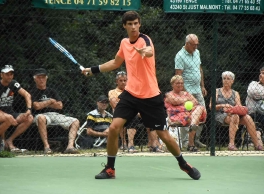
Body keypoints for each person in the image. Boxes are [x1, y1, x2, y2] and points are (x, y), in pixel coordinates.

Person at [82, 11, 200, 180]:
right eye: (130, 24)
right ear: (124, 26)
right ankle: (110, 169)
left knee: (163, 135)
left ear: (140, 24)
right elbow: (116, 62)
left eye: (136, 23)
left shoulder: (145, 39)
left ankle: (183, 163)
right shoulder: (124, 43)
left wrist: (145, 52)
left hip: (151, 96)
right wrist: (93, 70)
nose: (133, 27)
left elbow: (149, 50)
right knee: (114, 127)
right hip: (130, 94)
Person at [109, 71, 163, 153]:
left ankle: (153, 145)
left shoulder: (132, 91)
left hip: (138, 113)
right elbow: (115, 105)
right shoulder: (113, 92)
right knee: (133, 117)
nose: (123, 82)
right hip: (123, 115)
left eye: (125, 80)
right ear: (116, 81)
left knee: (151, 117)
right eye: (121, 80)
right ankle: (130, 145)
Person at [30, 68, 80, 154]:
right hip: (40, 115)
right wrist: (50, 101)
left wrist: (44, 104)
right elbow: (37, 106)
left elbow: (60, 106)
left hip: (54, 114)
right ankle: (47, 147)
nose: (41, 79)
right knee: (41, 118)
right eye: (39, 77)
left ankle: (70, 146)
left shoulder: (52, 91)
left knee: (75, 121)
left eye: (43, 77)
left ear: (46, 78)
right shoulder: (32, 91)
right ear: (35, 79)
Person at [210, 71, 264, 151]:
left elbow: (238, 107)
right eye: (224, 78)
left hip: (232, 114)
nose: (226, 80)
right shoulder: (217, 91)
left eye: (228, 79)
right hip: (220, 114)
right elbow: (211, 106)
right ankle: (231, 144)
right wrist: (223, 105)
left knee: (248, 118)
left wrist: (232, 109)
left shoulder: (235, 93)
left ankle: (257, 144)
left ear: (232, 81)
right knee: (235, 116)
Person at [175, 33, 207, 148]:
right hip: (187, 91)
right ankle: (185, 141)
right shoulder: (180, 56)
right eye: (193, 45)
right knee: (186, 116)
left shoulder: (197, 52)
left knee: (203, 114)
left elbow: (200, 69)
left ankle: (195, 139)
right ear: (187, 44)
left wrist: (202, 86)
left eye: (197, 45)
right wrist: (183, 93)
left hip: (198, 89)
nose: (196, 47)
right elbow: (178, 75)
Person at [0, 65, 33, 152]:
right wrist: (6, 116)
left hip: (11, 113)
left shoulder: (14, 83)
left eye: (11, 74)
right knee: (6, 119)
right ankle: (2, 145)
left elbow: (27, 95)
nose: (10, 76)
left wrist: (28, 109)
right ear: (1, 75)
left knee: (29, 118)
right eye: (7, 74)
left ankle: (9, 140)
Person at [164, 75, 207, 152]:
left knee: (200, 107)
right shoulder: (169, 94)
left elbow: (195, 102)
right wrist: (187, 100)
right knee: (195, 117)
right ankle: (191, 145)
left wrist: (182, 101)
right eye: (177, 83)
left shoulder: (186, 93)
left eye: (181, 83)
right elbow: (175, 101)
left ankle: (192, 125)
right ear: (172, 84)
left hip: (190, 115)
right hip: (176, 115)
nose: (180, 85)